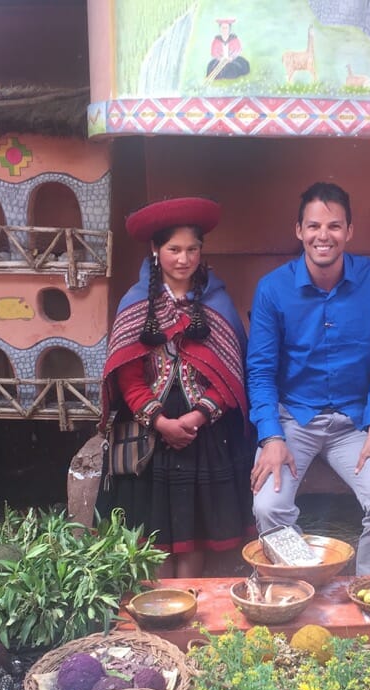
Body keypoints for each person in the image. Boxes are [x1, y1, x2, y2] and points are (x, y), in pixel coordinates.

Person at [246, 182, 370, 576]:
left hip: (354, 421)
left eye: (334, 226)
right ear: (298, 230)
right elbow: (261, 371)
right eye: (314, 226)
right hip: (293, 418)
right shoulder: (272, 289)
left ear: (349, 231)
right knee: (268, 506)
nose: (324, 236)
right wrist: (271, 437)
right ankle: (303, 583)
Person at [95, 197, 255, 578]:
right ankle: (160, 619)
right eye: (174, 249)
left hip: (206, 437)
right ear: (155, 250)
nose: (184, 259)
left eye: (193, 249)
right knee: (155, 539)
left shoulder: (217, 302)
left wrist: (199, 415)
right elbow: (127, 377)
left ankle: (189, 616)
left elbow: (232, 373)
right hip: (150, 438)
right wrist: (160, 420)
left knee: (193, 535)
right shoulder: (135, 304)